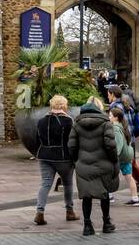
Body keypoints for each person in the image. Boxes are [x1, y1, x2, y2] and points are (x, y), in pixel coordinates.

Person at [68, 97, 120, 236]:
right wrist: (114, 160)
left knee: (87, 195)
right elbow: (110, 145)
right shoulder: (105, 123)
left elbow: (71, 145)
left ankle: (87, 225)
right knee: (104, 194)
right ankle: (106, 223)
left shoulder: (76, 124)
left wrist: (76, 160)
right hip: (103, 164)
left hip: (84, 164)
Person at [33, 95, 78, 225]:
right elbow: (72, 141)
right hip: (63, 157)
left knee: (45, 184)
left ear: (52, 105)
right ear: (64, 106)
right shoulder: (69, 121)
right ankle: (70, 211)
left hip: (45, 155)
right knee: (68, 183)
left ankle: (39, 211)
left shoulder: (41, 121)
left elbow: (37, 140)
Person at [109, 104, 139, 206]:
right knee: (129, 176)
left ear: (116, 117)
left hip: (121, 156)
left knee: (110, 175)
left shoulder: (115, 127)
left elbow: (118, 144)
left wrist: (114, 156)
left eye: (110, 115)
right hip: (127, 155)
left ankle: (109, 196)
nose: (109, 117)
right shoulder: (123, 126)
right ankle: (135, 198)